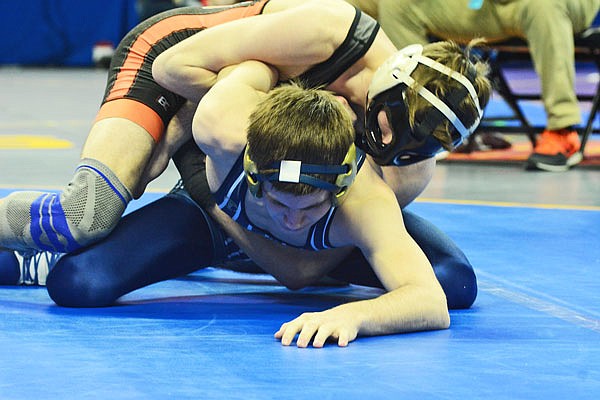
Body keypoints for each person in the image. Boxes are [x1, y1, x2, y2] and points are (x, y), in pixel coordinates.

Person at [0, 0, 489, 285]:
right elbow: (176, 69)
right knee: (86, 215)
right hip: (180, 63)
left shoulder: (407, 171)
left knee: (443, 276)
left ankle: (199, 211)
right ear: (391, 77)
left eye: (405, 148)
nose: (382, 144)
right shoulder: (329, 32)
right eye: (383, 124)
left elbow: (306, 265)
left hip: (233, 133)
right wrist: (211, 139)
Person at [45, 65, 478, 347]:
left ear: (339, 185)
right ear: (251, 170)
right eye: (277, 201)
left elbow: (430, 302)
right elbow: (228, 67)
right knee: (76, 283)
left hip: (322, 251)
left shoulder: (364, 200)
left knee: (452, 281)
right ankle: (38, 262)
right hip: (215, 224)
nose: (291, 219)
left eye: (309, 209)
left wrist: (356, 316)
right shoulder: (221, 128)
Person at [344, 0, 600, 171]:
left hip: (539, 4)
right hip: (484, 6)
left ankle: (562, 129)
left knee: (544, 6)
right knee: (399, 4)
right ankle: (422, 118)